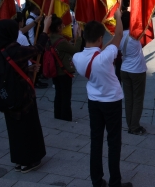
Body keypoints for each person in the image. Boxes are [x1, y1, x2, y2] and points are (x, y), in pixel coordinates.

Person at [73, 10, 132, 187]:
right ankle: (115, 181)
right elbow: (119, 35)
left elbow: (98, 51)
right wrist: (119, 18)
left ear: (83, 37)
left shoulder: (77, 58)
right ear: (100, 38)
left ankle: (97, 180)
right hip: (111, 101)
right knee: (114, 142)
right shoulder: (105, 56)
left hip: (93, 102)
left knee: (96, 141)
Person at [0, 16, 50, 173]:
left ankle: (19, 160)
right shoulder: (15, 49)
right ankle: (29, 160)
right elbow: (38, 49)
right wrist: (45, 30)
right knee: (29, 129)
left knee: (14, 130)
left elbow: (5, 72)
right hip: (22, 97)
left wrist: (26, 70)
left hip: (7, 96)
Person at [120, 11, 147, 135]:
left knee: (129, 99)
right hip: (137, 70)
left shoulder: (118, 36)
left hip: (124, 69)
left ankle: (130, 124)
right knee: (137, 99)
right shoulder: (134, 35)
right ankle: (134, 126)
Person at [49, 15, 80, 121]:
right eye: (62, 25)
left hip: (54, 70)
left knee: (58, 94)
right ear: (58, 28)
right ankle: (66, 117)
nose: (63, 26)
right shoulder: (61, 41)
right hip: (63, 71)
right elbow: (75, 49)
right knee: (66, 96)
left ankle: (57, 115)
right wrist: (79, 37)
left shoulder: (49, 39)